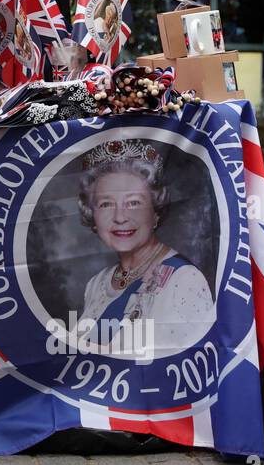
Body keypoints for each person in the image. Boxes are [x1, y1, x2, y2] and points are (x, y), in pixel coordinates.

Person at [76, 140, 214, 353]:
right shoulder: (97, 283)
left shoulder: (185, 280)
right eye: (106, 204)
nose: (120, 217)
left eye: (134, 202)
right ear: (92, 215)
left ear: (155, 211)